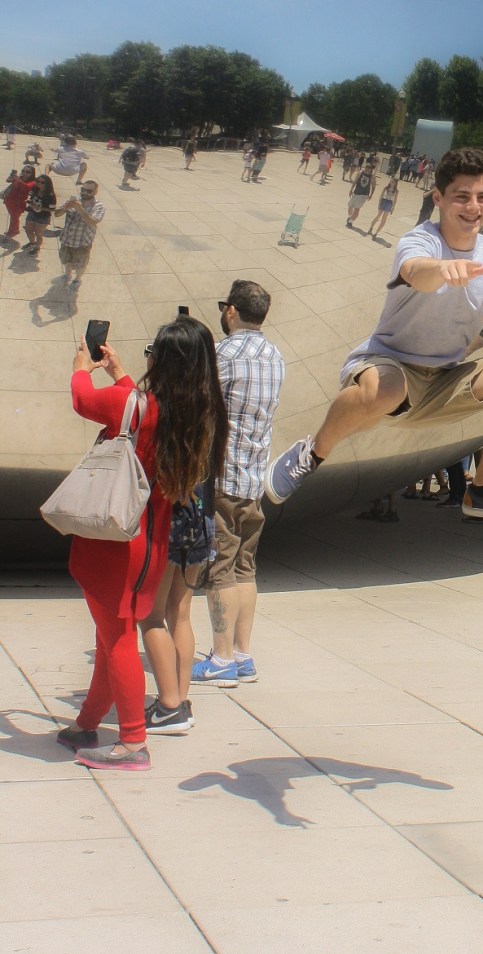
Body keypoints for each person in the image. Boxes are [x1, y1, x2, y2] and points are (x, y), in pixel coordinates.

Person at [265, 147, 483, 529]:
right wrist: (444, 269)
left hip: (446, 375)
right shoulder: (421, 239)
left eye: (482, 197)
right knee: (385, 391)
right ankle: (311, 455)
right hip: (390, 362)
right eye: (461, 196)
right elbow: (416, 272)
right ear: (439, 198)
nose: (473, 206)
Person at [57, 316, 227, 770]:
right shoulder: (195, 413)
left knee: (115, 639)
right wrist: (121, 374)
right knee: (112, 632)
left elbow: (82, 400)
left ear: (165, 362)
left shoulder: (137, 405)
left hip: (116, 544)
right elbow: (141, 410)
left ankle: (132, 742)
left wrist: (81, 365)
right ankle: (86, 723)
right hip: (148, 542)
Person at [191, 280, 285, 686]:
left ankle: (222, 657)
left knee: (220, 567)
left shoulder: (224, 353)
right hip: (253, 477)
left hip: (223, 476)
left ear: (231, 311)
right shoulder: (274, 355)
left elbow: (199, 403)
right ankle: (243, 654)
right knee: (246, 566)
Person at [139, 322, 229, 733]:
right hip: (201, 519)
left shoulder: (161, 407)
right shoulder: (212, 405)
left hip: (169, 522)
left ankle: (169, 704)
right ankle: (182, 699)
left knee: (151, 616)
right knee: (181, 613)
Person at [54, 180, 105, 289]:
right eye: (83, 189)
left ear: (95, 192)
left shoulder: (99, 206)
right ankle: (67, 275)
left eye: (89, 191)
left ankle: (77, 279)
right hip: (67, 239)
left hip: (83, 242)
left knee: (80, 264)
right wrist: (64, 208)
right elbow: (56, 214)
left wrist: (80, 209)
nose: (85, 192)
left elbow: (93, 221)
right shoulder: (74, 200)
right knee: (66, 260)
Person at [22, 173, 57, 255]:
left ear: (47, 184)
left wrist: (40, 208)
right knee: (28, 230)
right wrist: (29, 202)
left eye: (42, 182)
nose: (39, 183)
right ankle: (32, 242)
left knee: (38, 234)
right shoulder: (35, 189)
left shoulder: (50, 195)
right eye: (38, 181)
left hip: (43, 217)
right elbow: (31, 197)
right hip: (32, 213)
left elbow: (52, 209)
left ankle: (37, 248)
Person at [1, 165, 36, 240]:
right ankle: (15, 230)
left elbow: (26, 188)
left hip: (18, 204)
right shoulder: (20, 178)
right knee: (14, 217)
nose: (24, 173)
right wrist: (11, 177)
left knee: (14, 218)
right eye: (23, 171)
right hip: (10, 200)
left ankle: (11, 233)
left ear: (32, 174)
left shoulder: (33, 182)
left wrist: (17, 180)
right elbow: (8, 181)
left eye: (27, 172)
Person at [347, 162, 377, 227]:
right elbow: (355, 181)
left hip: (363, 195)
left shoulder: (372, 177)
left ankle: (350, 222)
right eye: (367, 167)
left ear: (371, 169)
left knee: (356, 209)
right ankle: (349, 217)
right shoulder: (360, 173)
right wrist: (351, 190)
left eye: (369, 168)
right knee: (350, 206)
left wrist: (371, 195)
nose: (368, 169)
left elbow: (374, 186)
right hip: (356, 192)